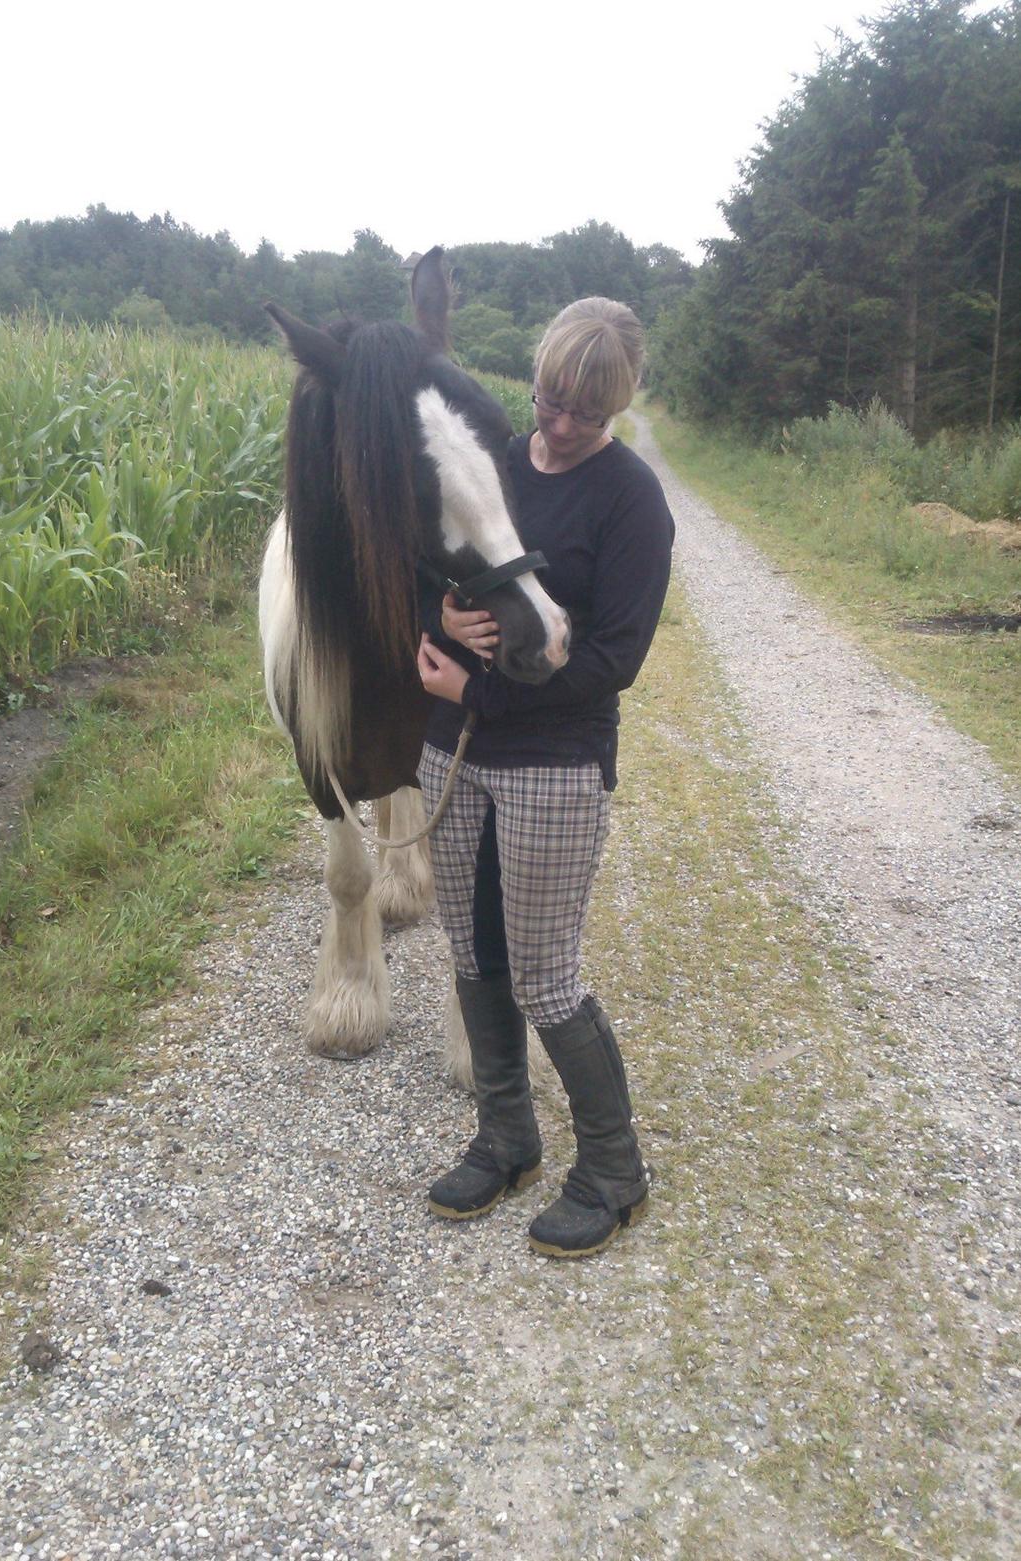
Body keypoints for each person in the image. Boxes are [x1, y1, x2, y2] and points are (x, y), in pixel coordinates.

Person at [415, 296, 675, 1259]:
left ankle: (614, 1169)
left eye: (587, 413)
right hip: (454, 752)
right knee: (474, 954)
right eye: (550, 400)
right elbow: (426, 572)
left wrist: (484, 692)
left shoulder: (631, 500)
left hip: (553, 768)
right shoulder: (490, 466)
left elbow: (613, 659)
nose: (560, 427)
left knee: (545, 975)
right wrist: (440, 628)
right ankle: (508, 1136)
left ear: (615, 409)